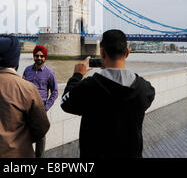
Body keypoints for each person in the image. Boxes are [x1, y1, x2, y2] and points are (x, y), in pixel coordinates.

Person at [60, 29, 155, 158]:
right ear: (127, 53)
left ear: (102, 52)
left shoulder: (89, 86)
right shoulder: (144, 88)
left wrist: (77, 75)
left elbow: (65, 103)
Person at [23, 45, 58, 158]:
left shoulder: (49, 73)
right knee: (25, 134)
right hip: (26, 106)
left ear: (45, 57)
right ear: (33, 56)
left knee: (40, 136)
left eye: (41, 56)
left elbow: (55, 92)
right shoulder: (27, 70)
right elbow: (22, 87)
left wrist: (46, 107)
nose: (39, 57)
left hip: (40, 106)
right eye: (37, 55)